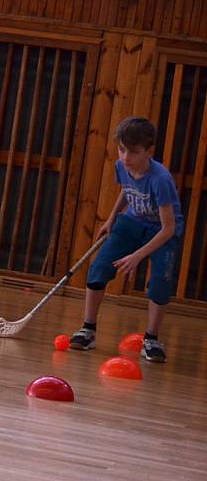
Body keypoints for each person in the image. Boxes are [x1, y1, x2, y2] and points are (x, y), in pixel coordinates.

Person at [69, 116, 183, 362]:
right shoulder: (121, 166)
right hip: (130, 222)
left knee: (160, 282)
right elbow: (126, 190)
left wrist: (138, 255)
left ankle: (151, 338)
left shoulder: (160, 179)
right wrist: (111, 219)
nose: (125, 157)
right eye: (121, 149)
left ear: (148, 152)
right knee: (99, 268)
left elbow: (168, 228)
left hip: (161, 230)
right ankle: (88, 329)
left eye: (133, 152)